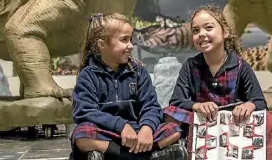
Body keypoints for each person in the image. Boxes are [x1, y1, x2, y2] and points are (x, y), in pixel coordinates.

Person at [70, 12, 186, 160]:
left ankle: (113, 155)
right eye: (124, 40)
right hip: (107, 132)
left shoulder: (138, 72)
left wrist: (147, 128)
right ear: (102, 44)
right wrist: (121, 126)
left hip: (137, 132)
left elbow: (150, 106)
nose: (130, 46)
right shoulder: (88, 75)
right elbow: (84, 111)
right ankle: (148, 156)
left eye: (130, 39)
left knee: (174, 130)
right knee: (81, 135)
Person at [163, 4, 268, 140]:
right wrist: (198, 106)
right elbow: (176, 102)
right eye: (195, 30)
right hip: (202, 125)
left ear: (225, 32)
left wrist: (249, 105)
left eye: (208, 28)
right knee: (168, 112)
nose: (201, 34)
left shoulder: (241, 66)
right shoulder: (190, 66)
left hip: (233, 127)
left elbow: (260, 102)